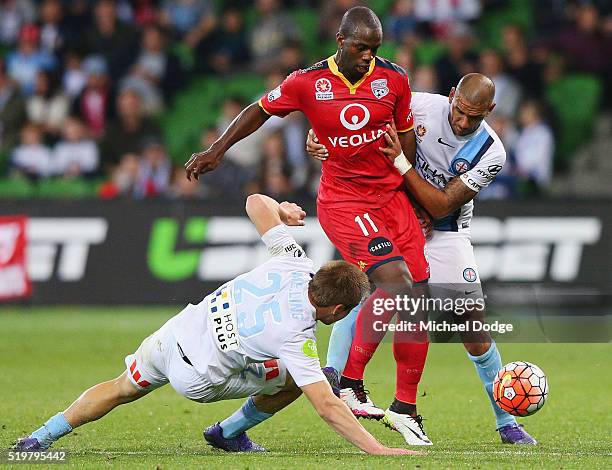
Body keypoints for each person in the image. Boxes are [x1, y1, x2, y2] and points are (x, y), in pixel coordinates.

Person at [185, 6, 433, 445]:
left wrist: (415, 195)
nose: (368, 57)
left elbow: (406, 136)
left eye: (374, 49)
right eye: (361, 48)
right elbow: (259, 109)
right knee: (396, 282)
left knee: (418, 303)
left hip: (392, 196)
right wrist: (218, 149)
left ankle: (406, 407)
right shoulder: (308, 82)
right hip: (345, 198)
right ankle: (348, 381)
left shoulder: (393, 78)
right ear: (340, 40)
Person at [14, 194, 417, 457]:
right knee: (309, 379)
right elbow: (327, 405)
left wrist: (283, 209)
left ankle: (39, 439)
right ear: (339, 309)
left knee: (120, 388)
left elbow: (255, 202)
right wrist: (378, 450)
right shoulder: (298, 335)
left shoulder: (293, 260)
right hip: (199, 378)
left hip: (173, 336)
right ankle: (228, 433)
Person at [307, 73, 538, 445]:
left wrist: (403, 166)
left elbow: (443, 203)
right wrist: (319, 133)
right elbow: (353, 115)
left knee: (473, 328)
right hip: (391, 217)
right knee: (357, 291)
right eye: (459, 112)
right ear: (451, 96)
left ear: (490, 111)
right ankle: (338, 379)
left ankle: (506, 420)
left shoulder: (491, 152)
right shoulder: (417, 105)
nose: (463, 122)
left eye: (474, 117)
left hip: (445, 233)